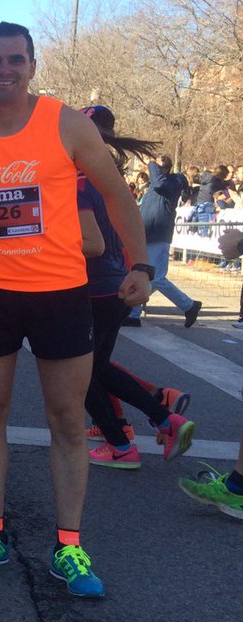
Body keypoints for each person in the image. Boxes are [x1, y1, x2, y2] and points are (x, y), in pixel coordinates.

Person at [0, 22, 150, 599]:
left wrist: (140, 266)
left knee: (68, 422)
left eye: (15, 60)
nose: (5, 69)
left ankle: (69, 546)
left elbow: (117, 194)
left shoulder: (66, 123)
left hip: (60, 294)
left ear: (31, 66)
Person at [73, 106, 195, 471]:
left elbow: (91, 243)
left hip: (94, 286)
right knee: (96, 368)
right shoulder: (111, 180)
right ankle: (160, 413)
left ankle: (123, 443)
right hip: (118, 282)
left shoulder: (78, 182)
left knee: (80, 375)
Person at [125, 154, 199, 327]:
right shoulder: (160, 184)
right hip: (148, 234)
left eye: (157, 167)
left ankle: (189, 305)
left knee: (157, 278)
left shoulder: (175, 181)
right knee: (145, 275)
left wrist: (151, 163)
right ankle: (133, 315)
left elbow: (159, 183)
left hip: (159, 235)